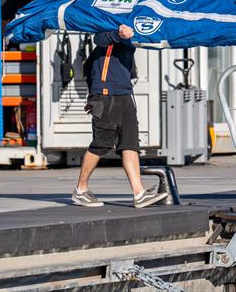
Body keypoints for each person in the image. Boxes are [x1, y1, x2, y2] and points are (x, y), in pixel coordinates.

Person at [71, 24, 167, 208]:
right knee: (101, 143)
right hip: (106, 95)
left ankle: (139, 193)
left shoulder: (133, 32)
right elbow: (98, 38)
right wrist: (117, 33)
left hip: (125, 95)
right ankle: (81, 190)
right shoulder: (109, 29)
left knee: (130, 143)